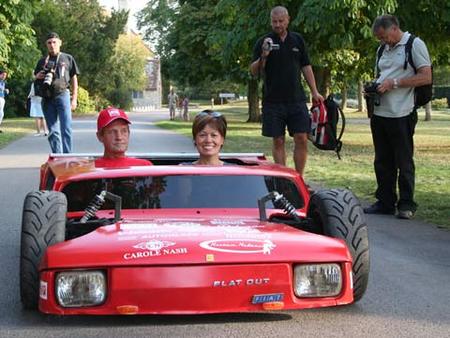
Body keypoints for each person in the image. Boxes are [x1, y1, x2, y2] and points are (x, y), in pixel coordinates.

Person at [364, 14, 432, 219]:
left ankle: (406, 203)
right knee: (382, 159)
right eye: (379, 39)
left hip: (402, 112)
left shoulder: (414, 44)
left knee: (403, 159)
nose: (383, 41)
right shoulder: (382, 49)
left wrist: (394, 83)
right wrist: (373, 87)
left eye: (384, 37)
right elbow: (382, 75)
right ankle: (385, 201)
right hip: (380, 111)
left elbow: (425, 76)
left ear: (394, 28)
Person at [250, 6, 323, 176]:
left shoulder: (297, 40)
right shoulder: (264, 41)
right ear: (270, 21)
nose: (277, 25)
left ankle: (299, 178)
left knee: (302, 138)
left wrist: (314, 91)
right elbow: (253, 71)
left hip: (296, 100)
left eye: (281, 21)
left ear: (288, 19)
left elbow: (306, 66)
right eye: (274, 21)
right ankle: (284, 179)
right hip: (272, 101)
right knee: (278, 140)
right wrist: (264, 55)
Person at [34, 32, 79, 153]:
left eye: (54, 42)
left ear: (60, 43)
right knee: (53, 131)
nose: (52, 45)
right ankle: (58, 157)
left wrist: (74, 98)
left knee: (66, 128)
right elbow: (35, 80)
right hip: (47, 98)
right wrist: (37, 76)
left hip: (63, 95)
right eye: (49, 43)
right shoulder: (42, 61)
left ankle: (68, 156)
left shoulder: (67, 58)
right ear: (46, 45)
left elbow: (74, 78)